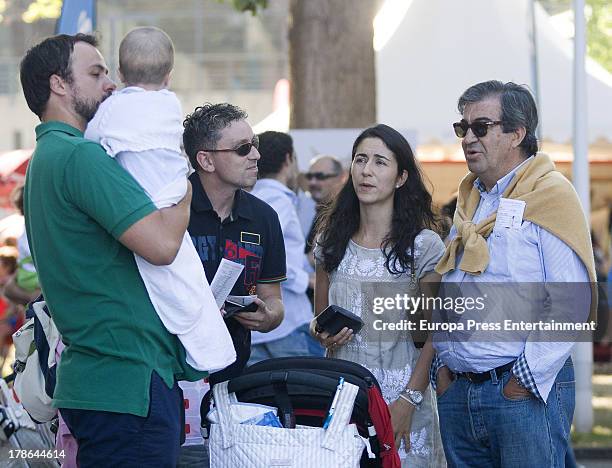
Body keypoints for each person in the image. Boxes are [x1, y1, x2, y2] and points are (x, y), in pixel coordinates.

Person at [20, 33, 206, 466]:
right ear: (59, 85)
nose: (111, 84)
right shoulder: (79, 157)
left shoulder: (49, 158)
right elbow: (162, 245)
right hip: (126, 380)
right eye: (96, 72)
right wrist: (181, 185)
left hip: (103, 381)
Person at [432, 80, 597, 467]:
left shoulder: (550, 195)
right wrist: (443, 367)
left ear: (517, 133)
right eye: (463, 128)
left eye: (481, 127)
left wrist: (519, 381)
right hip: (461, 391)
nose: (468, 138)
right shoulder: (471, 200)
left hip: (518, 392)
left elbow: (569, 301)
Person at [84, 27, 234, 373]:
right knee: (188, 275)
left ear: (119, 75)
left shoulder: (111, 108)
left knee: (165, 276)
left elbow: (91, 144)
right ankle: (209, 349)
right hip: (171, 193)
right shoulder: (171, 103)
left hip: (136, 202)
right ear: (169, 76)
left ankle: (198, 345)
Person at [311, 124, 446, 467]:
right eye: (360, 159)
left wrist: (409, 400)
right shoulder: (331, 239)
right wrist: (322, 331)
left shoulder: (424, 246)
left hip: (402, 399)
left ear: (401, 178)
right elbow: (319, 317)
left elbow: (436, 332)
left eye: (380, 162)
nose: (366, 170)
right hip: (342, 399)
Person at [249, 131, 323, 364]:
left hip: (261, 329)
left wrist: (307, 261)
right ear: (288, 159)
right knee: (310, 397)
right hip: (286, 324)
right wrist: (307, 280)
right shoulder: (276, 199)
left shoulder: (253, 198)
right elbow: (259, 252)